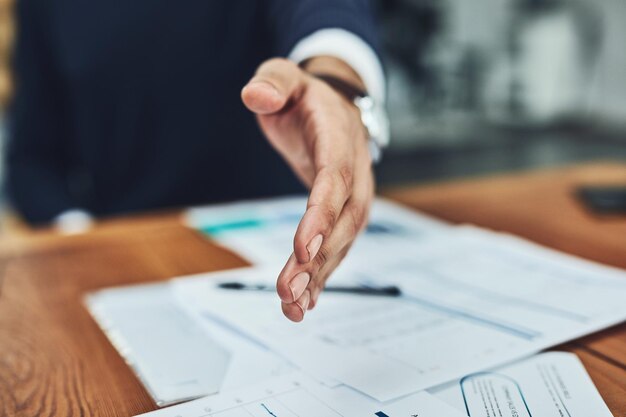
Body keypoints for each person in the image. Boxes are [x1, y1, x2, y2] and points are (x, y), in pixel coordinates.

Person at [5, 0, 389, 322]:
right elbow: (33, 160)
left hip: (280, 253)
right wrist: (90, 243)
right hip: (130, 272)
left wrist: (335, 80)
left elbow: (326, 9)